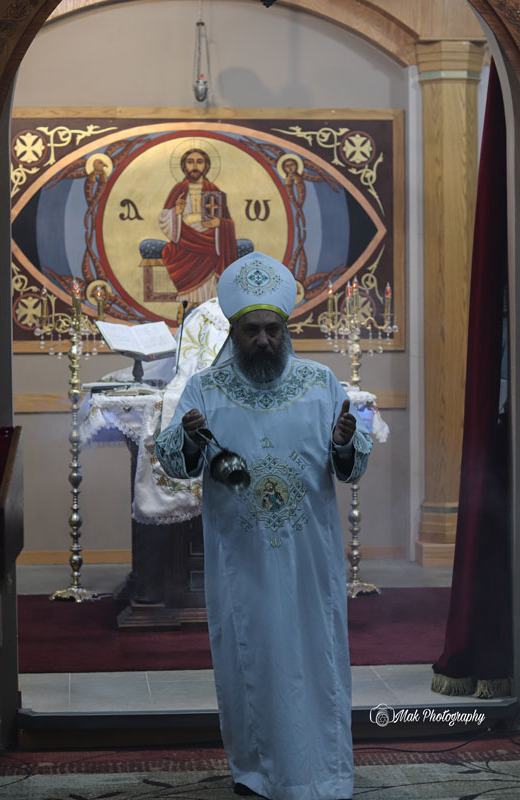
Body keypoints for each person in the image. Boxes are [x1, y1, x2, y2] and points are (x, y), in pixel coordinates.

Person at [155, 251, 372, 800]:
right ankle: (257, 775)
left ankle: (326, 776)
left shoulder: (321, 384)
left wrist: (345, 444)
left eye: (273, 330)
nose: (264, 341)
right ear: (234, 331)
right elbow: (175, 463)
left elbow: (351, 466)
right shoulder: (206, 390)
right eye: (251, 331)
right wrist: (189, 437)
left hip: (309, 565)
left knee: (316, 662)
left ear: (285, 328)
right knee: (252, 662)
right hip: (243, 565)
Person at [157, 148, 237, 302]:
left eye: (199, 162)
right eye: (190, 162)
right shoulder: (178, 189)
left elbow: (228, 221)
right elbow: (163, 218)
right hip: (184, 239)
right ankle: (187, 306)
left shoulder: (213, 190)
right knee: (170, 251)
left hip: (210, 240)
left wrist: (219, 223)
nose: (195, 166)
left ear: (206, 166)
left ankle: (210, 305)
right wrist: (175, 213)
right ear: (184, 166)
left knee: (213, 256)